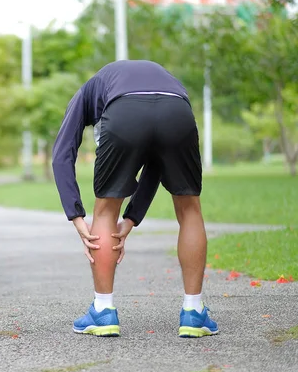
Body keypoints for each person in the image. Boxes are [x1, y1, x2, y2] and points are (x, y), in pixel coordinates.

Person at [51, 59, 218, 338]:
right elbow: (156, 162)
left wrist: (76, 216)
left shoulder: (85, 94)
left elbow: (61, 154)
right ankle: (194, 312)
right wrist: (131, 220)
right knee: (190, 208)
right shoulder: (163, 78)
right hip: (178, 110)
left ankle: (103, 311)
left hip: (125, 111)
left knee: (105, 211)